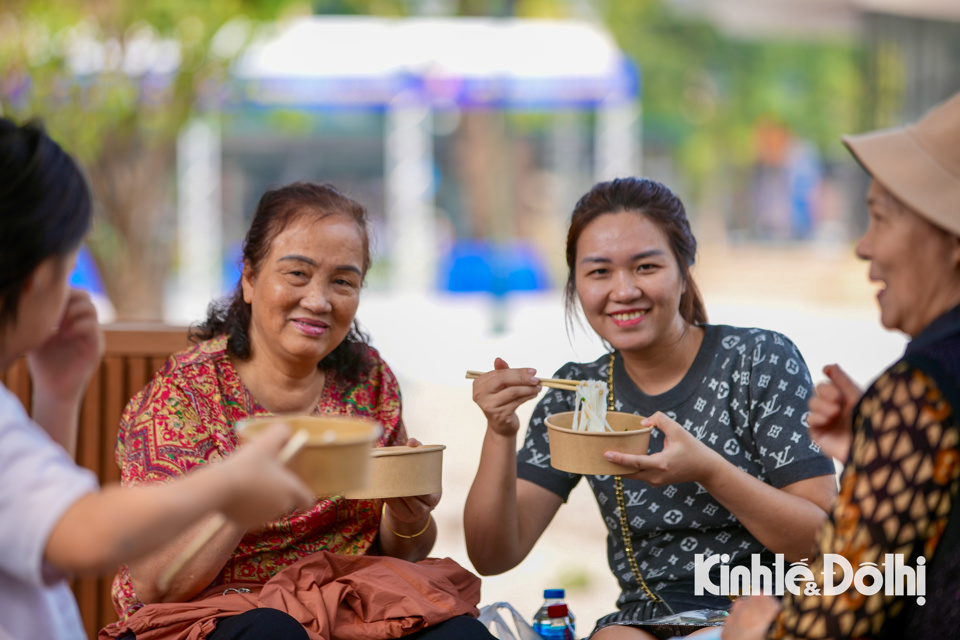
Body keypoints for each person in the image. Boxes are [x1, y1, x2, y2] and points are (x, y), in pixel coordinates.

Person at [105, 182, 493, 640]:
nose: (318, 300)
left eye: (343, 281)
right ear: (249, 278)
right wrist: (244, 495)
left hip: (342, 607)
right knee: (275, 634)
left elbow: (395, 553)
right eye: (297, 274)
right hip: (205, 618)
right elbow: (156, 584)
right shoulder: (185, 395)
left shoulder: (369, 381)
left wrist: (407, 519)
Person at [465, 177, 838, 639]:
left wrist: (709, 469)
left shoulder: (758, 359)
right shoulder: (577, 391)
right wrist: (499, 432)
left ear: (684, 270)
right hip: (644, 617)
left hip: (775, 605)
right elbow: (494, 555)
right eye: (599, 272)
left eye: (645, 267)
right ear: (576, 284)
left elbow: (824, 543)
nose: (623, 291)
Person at [0, 120, 315, 640]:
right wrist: (230, 482)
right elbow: (84, 533)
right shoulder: (186, 384)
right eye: (69, 263)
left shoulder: (371, 380)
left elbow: (36, 534)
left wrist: (58, 394)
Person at [721, 93, 960, 640]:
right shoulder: (919, 406)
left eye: (881, 219)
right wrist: (875, 450)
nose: (863, 247)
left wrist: (758, 628)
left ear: (951, 240)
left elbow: (834, 620)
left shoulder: (923, 388)